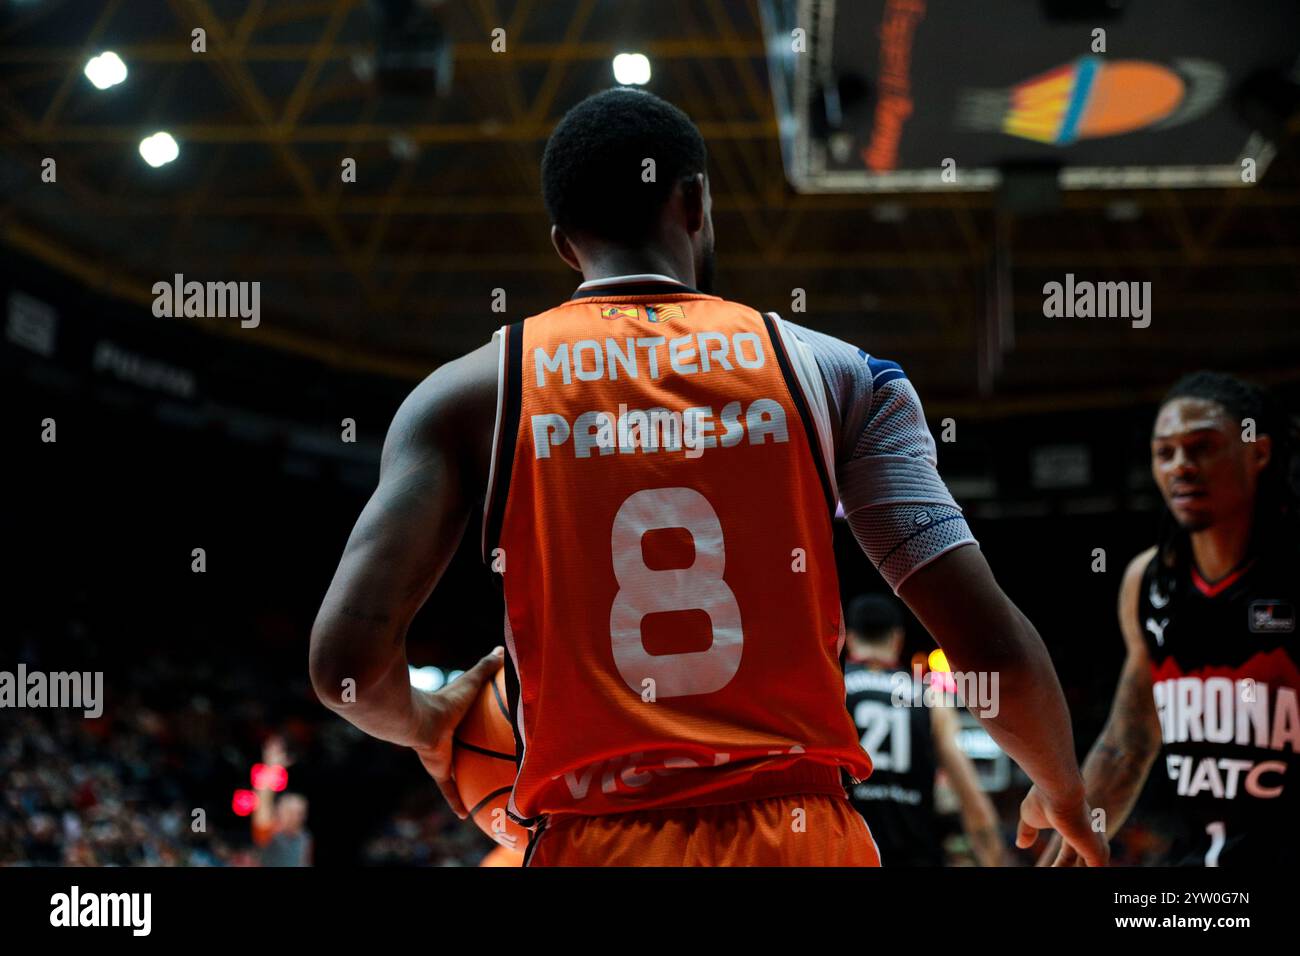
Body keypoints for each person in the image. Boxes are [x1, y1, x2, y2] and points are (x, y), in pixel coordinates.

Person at [310, 87, 1106, 867]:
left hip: (595, 837)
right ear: (694, 202)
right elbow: (986, 642)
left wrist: (422, 721)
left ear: (563, 244)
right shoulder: (841, 374)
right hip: (800, 836)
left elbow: (343, 666)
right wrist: (1058, 782)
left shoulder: (466, 394)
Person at [1029, 372, 1300, 866]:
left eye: (1202, 447)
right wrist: (1074, 844)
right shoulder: (1148, 580)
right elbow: (1130, 743)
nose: (1181, 466)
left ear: (1258, 454)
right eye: (1165, 452)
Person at [843, 594, 1006, 866]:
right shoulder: (930, 698)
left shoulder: (833, 692)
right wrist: (995, 858)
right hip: (914, 855)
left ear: (849, 638)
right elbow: (970, 796)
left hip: (846, 855)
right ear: (897, 639)